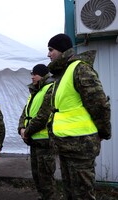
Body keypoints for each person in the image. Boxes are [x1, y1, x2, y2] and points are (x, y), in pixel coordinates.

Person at [46, 33, 111, 199]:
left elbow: (99, 105)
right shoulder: (62, 75)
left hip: (81, 148)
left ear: (62, 50)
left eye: (51, 50)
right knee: (70, 193)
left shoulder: (80, 69)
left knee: (82, 195)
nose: (48, 54)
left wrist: (103, 133)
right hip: (66, 146)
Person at [18, 64, 57, 200]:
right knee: (37, 176)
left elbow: (43, 116)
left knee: (46, 177)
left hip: (45, 143)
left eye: (34, 74)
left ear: (42, 75)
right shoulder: (35, 92)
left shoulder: (50, 89)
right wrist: (21, 128)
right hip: (34, 141)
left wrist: (26, 132)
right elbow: (25, 112)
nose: (32, 77)